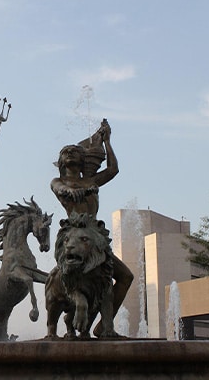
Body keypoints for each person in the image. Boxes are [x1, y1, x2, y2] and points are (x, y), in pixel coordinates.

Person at [50, 119, 133, 337]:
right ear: (61, 160)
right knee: (71, 272)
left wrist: (107, 141)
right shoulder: (58, 181)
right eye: (65, 151)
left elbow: (113, 169)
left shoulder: (91, 180)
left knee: (125, 276)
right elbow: (59, 189)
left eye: (74, 151)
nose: (69, 152)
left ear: (82, 158)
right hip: (74, 233)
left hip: (95, 235)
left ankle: (105, 326)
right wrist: (71, 192)